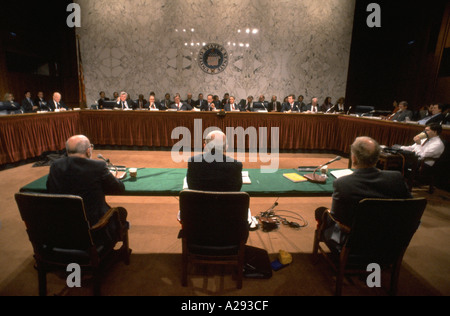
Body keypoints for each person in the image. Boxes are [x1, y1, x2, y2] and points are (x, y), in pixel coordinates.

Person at [315, 136, 412, 247]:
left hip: (354, 241)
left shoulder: (343, 183)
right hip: (390, 239)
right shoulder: (396, 178)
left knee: (321, 211)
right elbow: (412, 209)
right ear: (377, 157)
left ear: (354, 158)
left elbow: (337, 219)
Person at [46, 135, 128, 245]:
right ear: (88, 150)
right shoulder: (98, 166)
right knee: (121, 211)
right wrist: (111, 177)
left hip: (62, 225)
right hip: (93, 227)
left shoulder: (55, 166)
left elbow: (49, 187)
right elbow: (119, 189)